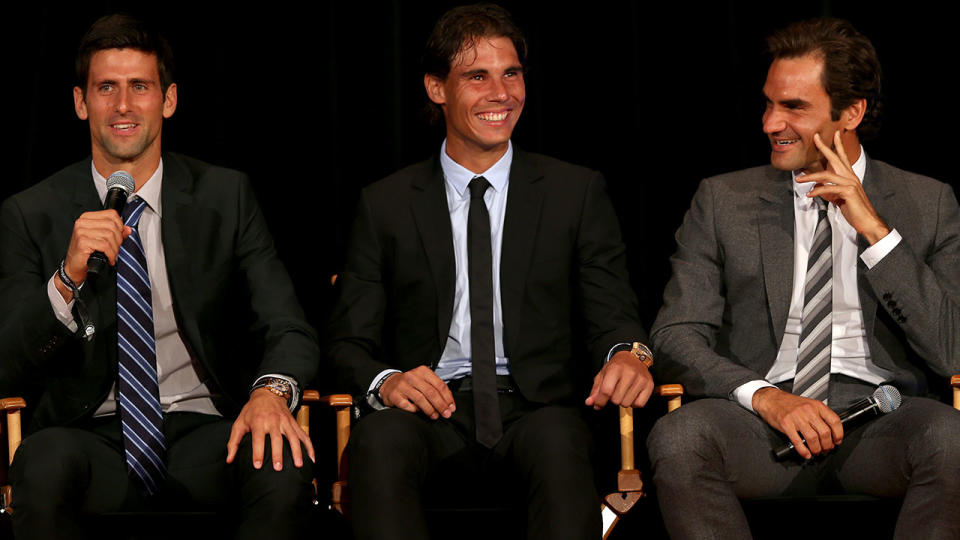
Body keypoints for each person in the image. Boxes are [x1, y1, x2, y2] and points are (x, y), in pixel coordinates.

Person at [325, 4, 653, 539]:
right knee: (378, 442)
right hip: (430, 410)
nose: (501, 93)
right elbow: (345, 344)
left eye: (512, 74)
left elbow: (613, 315)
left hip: (538, 409)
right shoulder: (384, 204)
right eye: (477, 76)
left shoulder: (575, 192)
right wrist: (387, 383)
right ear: (437, 89)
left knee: (559, 441)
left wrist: (629, 355)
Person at [0, 14, 319, 539]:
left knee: (279, 464)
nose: (123, 105)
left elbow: (287, 325)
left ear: (168, 100)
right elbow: (8, 360)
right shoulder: (30, 212)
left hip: (205, 429)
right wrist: (66, 278)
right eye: (106, 88)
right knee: (41, 464)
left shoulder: (225, 197)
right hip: (88, 434)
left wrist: (270, 394)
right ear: (81, 103)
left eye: (139, 87)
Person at [646, 17, 960, 539]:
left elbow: (954, 349)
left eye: (794, 107)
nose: (771, 123)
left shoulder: (928, 202)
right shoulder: (723, 200)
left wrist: (874, 230)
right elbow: (676, 333)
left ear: (851, 112)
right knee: (679, 438)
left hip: (882, 419)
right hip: (762, 422)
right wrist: (767, 396)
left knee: (952, 441)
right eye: (769, 104)